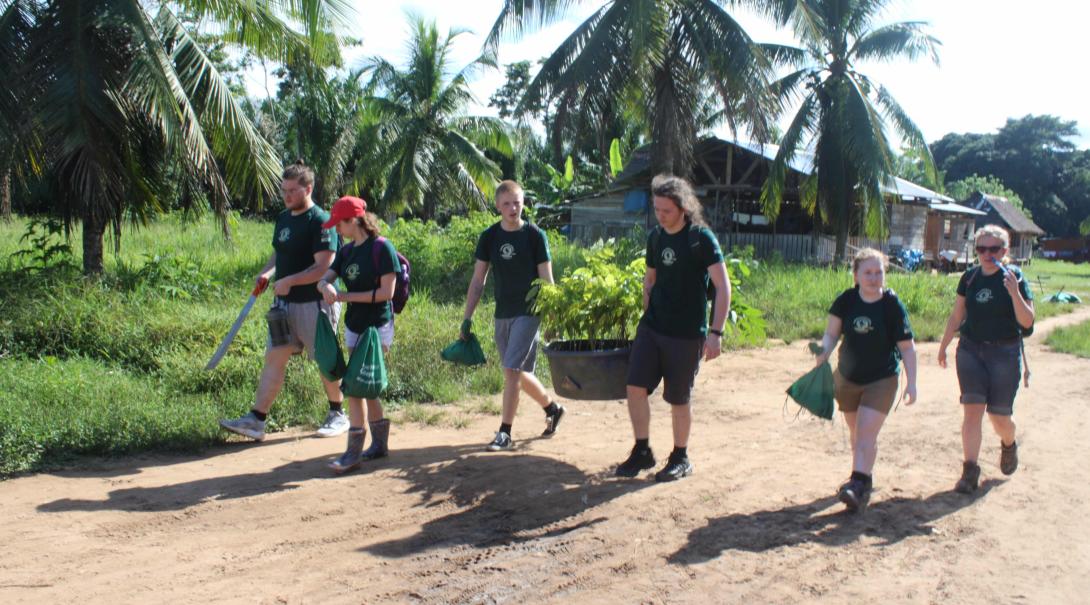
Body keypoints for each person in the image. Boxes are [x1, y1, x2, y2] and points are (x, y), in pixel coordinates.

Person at [615, 174, 731, 482]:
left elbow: (722, 286)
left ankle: (681, 456)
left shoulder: (700, 239)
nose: (660, 215)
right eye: (657, 209)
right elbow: (650, 278)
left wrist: (716, 333)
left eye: (666, 210)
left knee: (679, 398)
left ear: (682, 207)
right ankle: (642, 451)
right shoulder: (655, 237)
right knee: (635, 387)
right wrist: (647, 314)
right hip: (652, 327)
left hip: (686, 333)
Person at [218, 161, 345, 441]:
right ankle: (257, 420)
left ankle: (338, 412)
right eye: (283, 189)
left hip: (315, 303)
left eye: (292, 190)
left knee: (325, 359)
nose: (286, 195)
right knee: (274, 357)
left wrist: (289, 281)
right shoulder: (284, 218)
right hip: (284, 305)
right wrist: (267, 273)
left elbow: (323, 268)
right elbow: (280, 254)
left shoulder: (322, 221)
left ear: (308, 189)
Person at [461, 180, 564, 451]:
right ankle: (553, 409)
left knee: (511, 370)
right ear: (497, 206)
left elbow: (547, 281)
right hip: (502, 312)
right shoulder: (490, 237)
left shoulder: (535, 236)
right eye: (506, 203)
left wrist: (553, 316)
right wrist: (467, 317)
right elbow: (478, 280)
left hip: (530, 312)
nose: (512, 208)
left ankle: (505, 433)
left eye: (517, 202)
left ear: (523, 203)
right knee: (516, 373)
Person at [814, 248, 918, 511]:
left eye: (879, 272)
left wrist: (912, 382)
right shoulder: (846, 300)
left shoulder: (892, 304)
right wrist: (823, 351)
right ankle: (864, 479)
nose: (874, 278)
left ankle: (856, 484)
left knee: (864, 433)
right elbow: (831, 334)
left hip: (882, 378)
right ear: (856, 275)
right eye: (868, 273)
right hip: (847, 378)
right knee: (857, 433)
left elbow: (907, 347)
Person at [938, 224, 1035, 494]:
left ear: (1004, 251)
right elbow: (957, 316)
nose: (987, 254)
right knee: (972, 410)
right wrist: (944, 345)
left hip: (1004, 353)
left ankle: (1009, 443)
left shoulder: (1014, 277)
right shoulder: (969, 278)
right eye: (982, 248)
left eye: (994, 249)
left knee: (998, 416)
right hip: (970, 351)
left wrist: (1014, 292)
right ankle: (970, 471)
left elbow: (1027, 321)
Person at [317, 196, 400, 473]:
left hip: (377, 327)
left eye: (339, 225)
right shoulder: (346, 251)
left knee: (354, 386)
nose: (336, 230)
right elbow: (325, 278)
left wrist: (343, 295)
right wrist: (325, 287)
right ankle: (378, 445)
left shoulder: (382, 249)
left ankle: (353, 454)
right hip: (354, 324)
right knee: (364, 385)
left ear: (353, 221)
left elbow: (387, 293)